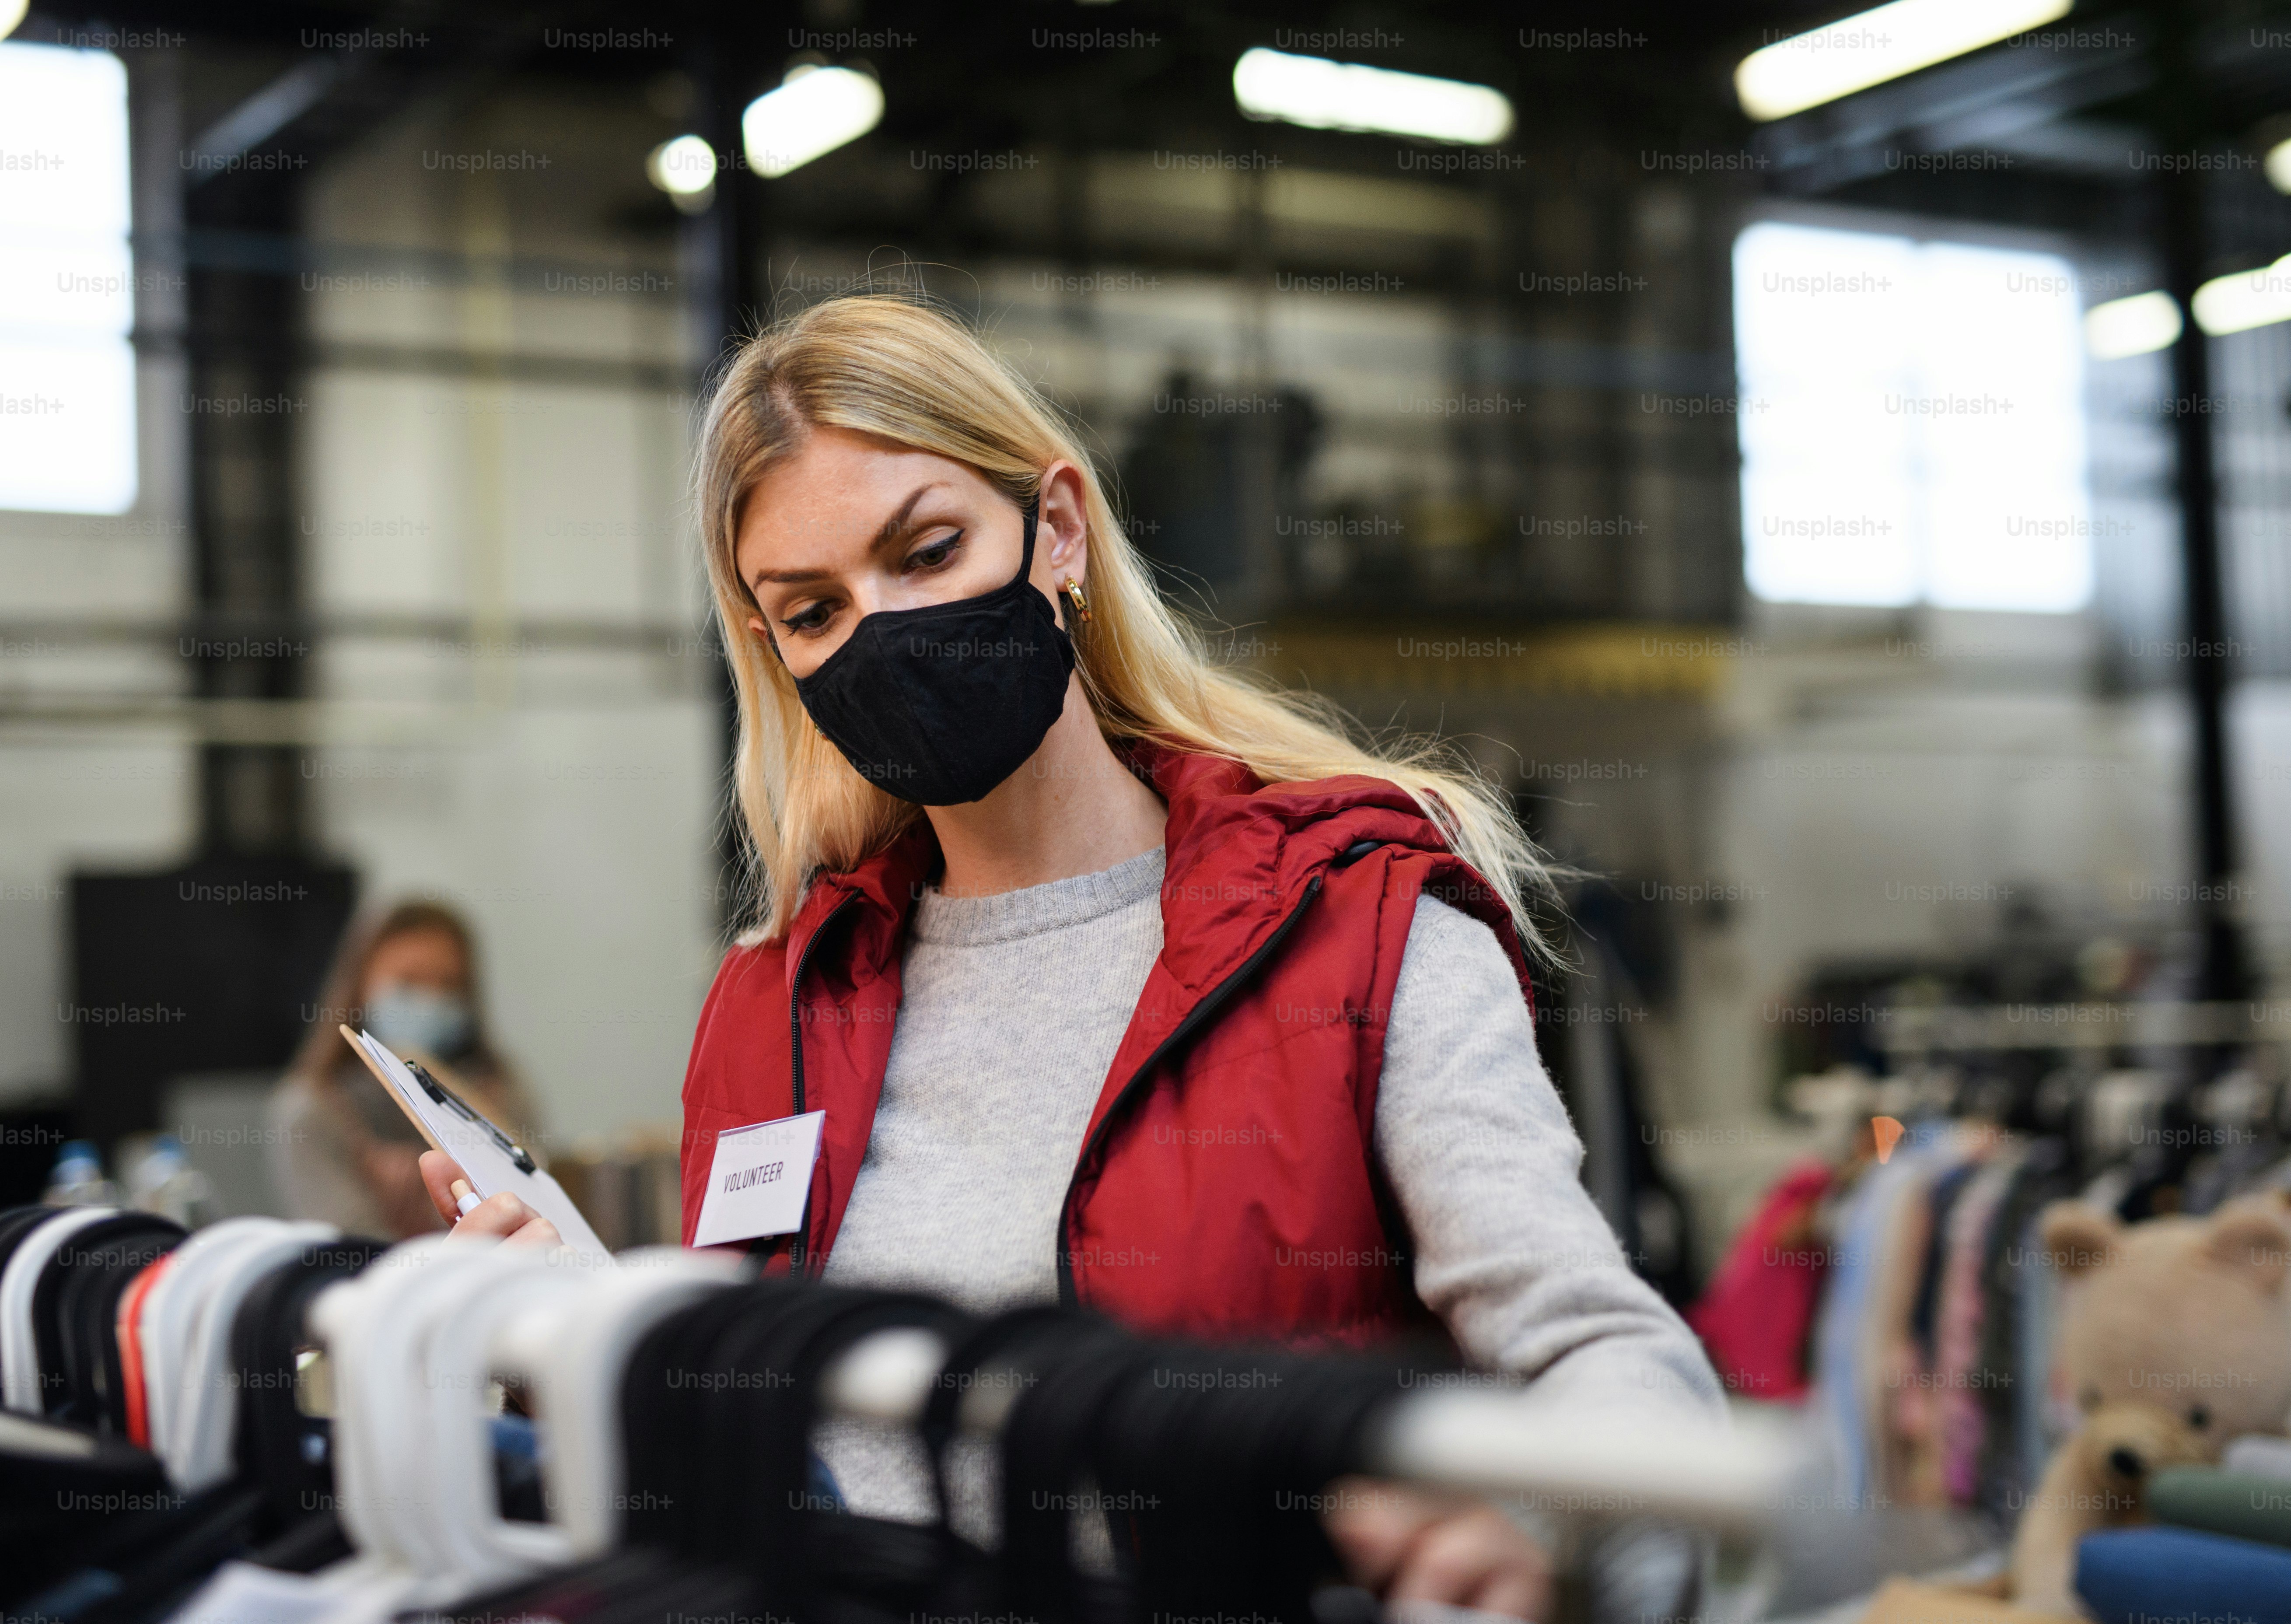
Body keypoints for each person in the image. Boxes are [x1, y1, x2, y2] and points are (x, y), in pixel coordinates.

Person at [421, 294, 1723, 1618]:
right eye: (812, 610)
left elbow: (1597, 1352)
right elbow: (763, 1434)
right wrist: (578, 1338)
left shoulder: (1352, 926)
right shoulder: (778, 1003)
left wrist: (1544, 1551)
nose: (880, 628)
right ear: (774, 648)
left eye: (926, 551)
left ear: (1054, 526)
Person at [276, 899, 538, 1238]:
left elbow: (532, 1202)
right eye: (408, 982)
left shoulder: (500, 1093)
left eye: (449, 984)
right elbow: (350, 1250)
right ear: (360, 985)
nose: (429, 1001)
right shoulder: (313, 1109)